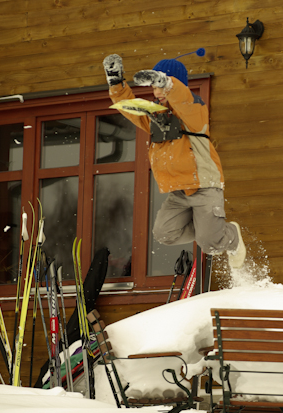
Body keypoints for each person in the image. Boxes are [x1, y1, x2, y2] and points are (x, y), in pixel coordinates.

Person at [102, 52, 246, 268]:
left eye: (160, 86)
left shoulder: (194, 109)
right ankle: (209, 229)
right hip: (178, 191)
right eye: (154, 87)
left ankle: (230, 236)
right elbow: (129, 107)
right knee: (164, 233)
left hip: (204, 185)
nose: (156, 92)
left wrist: (167, 83)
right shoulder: (156, 117)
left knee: (210, 244)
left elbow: (182, 98)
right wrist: (116, 84)